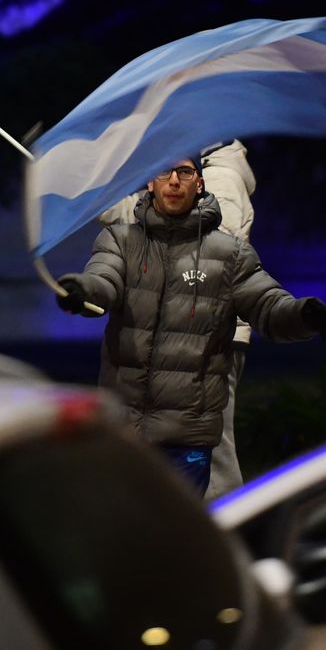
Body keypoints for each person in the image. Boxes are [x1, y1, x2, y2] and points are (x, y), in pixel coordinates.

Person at [56, 155, 326, 495]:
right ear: (150, 182)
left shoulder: (228, 254)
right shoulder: (120, 240)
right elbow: (103, 280)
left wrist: (303, 315)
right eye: (164, 172)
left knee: (174, 540)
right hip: (124, 432)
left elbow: (266, 304)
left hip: (186, 439)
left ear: (199, 183)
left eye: (185, 173)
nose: (174, 181)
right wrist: (81, 290)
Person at [97, 141, 256, 499]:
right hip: (178, 330)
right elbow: (136, 217)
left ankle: (226, 533)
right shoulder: (193, 169)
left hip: (206, 336)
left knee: (211, 453)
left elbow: (207, 256)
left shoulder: (221, 180)